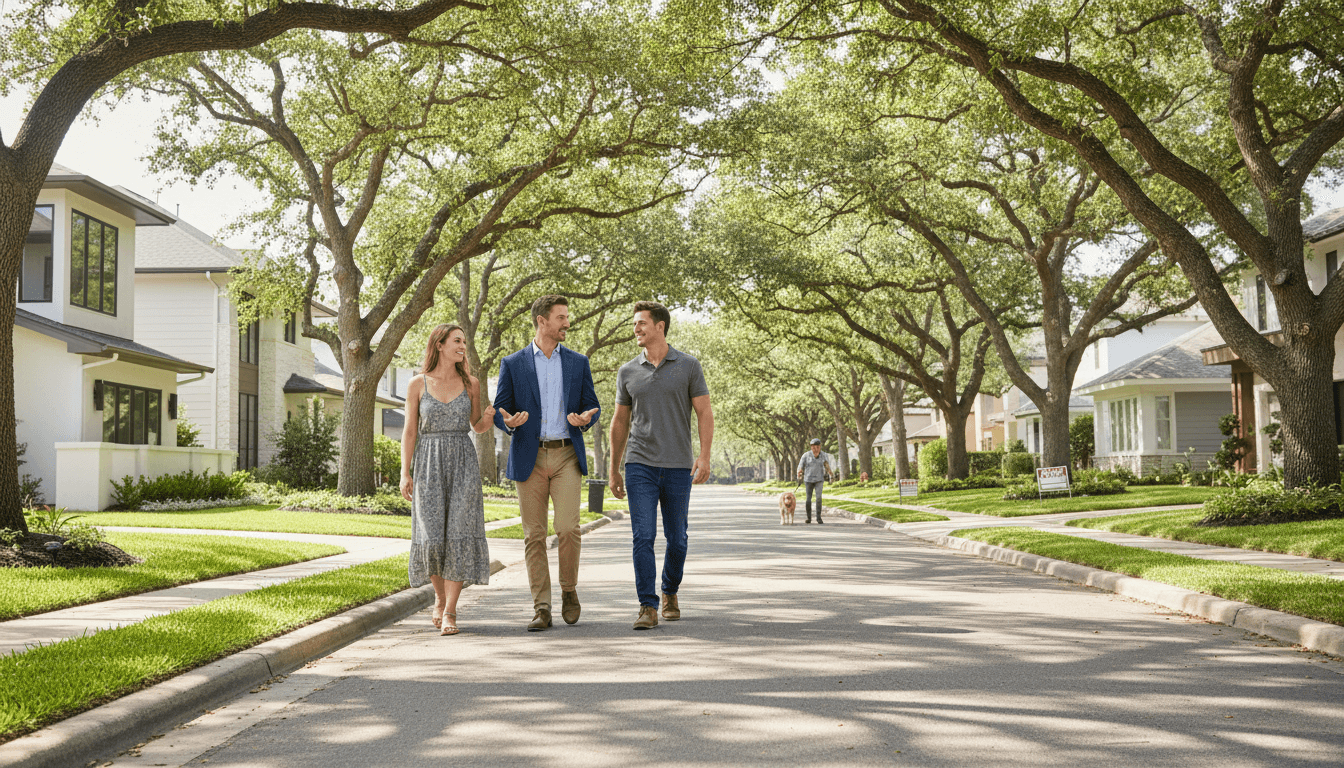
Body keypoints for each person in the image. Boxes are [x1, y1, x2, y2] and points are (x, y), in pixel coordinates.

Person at [492, 295, 601, 632]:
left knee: (568, 528)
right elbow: (500, 408)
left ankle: (568, 590)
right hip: (529, 454)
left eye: (566, 317)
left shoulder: (578, 362)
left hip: (567, 454)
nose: (567, 323)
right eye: (561, 317)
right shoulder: (513, 363)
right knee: (534, 535)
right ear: (542, 320)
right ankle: (542, 606)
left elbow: (592, 406)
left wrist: (585, 419)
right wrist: (508, 422)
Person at [609, 301, 713, 630]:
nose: (636, 329)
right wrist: (614, 468)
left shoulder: (688, 366)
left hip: (679, 465)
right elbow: (619, 423)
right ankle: (647, 606)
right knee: (643, 536)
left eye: (641, 323)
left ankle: (669, 590)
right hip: (640, 463)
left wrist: (705, 455)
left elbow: (704, 413)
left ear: (660, 326)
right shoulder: (627, 371)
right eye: (635, 324)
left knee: (678, 538)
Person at [400, 324, 497, 636]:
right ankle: (439, 599)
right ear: (439, 345)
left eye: (464, 341)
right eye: (457, 341)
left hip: (463, 463)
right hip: (427, 463)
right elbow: (410, 431)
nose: (463, 346)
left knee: (459, 532)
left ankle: (452, 610)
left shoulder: (471, 383)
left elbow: (477, 426)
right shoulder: (417, 384)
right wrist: (405, 472)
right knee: (431, 537)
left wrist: (491, 418)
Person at [796, 439, 833, 524]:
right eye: (814, 447)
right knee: (808, 499)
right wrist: (799, 475)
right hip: (808, 480)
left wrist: (831, 475)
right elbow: (800, 467)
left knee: (818, 498)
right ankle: (809, 518)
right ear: (811, 447)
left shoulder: (823, 455)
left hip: (819, 480)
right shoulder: (806, 455)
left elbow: (827, 466)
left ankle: (818, 517)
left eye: (817, 447)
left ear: (820, 447)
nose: (816, 449)